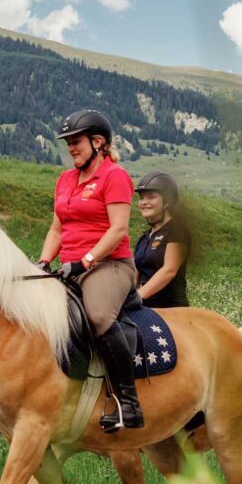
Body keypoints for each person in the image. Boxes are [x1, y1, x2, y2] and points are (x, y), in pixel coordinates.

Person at [38, 109, 143, 432]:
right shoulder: (66, 180)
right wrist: (43, 263)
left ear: (98, 142)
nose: (71, 148)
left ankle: (129, 403)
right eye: (68, 142)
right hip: (70, 266)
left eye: (76, 141)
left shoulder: (115, 177)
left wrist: (85, 260)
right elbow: (57, 230)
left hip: (110, 264)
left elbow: (118, 230)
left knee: (98, 316)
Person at [133, 172, 191, 308]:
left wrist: (137, 297)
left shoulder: (177, 230)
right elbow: (135, 274)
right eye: (141, 198)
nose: (144, 203)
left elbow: (169, 270)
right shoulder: (144, 237)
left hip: (170, 308)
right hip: (145, 307)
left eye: (151, 197)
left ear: (168, 201)